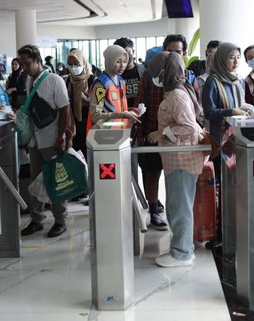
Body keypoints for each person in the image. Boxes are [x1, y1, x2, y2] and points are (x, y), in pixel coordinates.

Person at [146, 51, 209, 267]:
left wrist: (161, 133)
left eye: (155, 72)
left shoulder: (176, 95)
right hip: (177, 159)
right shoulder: (176, 91)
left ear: (166, 71)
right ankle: (183, 248)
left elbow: (189, 127)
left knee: (180, 207)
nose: (152, 76)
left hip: (182, 159)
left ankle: (181, 253)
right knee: (177, 205)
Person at [135, 34, 194, 230]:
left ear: (184, 53)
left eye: (177, 52)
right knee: (153, 172)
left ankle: (176, 216)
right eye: (169, 51)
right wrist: (142, 133)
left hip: (176, 138)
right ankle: (154, 211)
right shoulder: (151, 75)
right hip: (153, 131)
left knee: (174, 177)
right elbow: (140, 105)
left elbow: (191, 118)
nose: (173, 56)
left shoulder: (186, 78)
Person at [18, 44, 74, 238]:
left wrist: (61, 138)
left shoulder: (54, 80)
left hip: (52, 139)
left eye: (27, 63)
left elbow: (65, 110)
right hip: (36, 139)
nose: (24, 68)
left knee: (55, 180)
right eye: (22, 64)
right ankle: (36, 219)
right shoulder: (29, 81)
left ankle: (60, 220)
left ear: (37, 60)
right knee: (35, 180)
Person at [86, 45, 139, 132]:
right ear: (110, 61)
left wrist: (130, 111)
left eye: (125, 61)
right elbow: (95, 115)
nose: (122, 66)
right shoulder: (101, 84)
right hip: (105, 135)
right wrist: (121, 115)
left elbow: (116, 108)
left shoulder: (121, 81)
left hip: (121, 132)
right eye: (118, 61)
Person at [65, 49, 95, 157]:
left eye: (77, 64)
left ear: (83, 63)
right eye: (70, 64)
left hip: (89, 125)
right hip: (73, 127)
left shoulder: (92, 80)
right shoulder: (67, 81)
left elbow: (101, 103)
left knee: (90, 158)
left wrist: (89, 102)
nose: (73, 67)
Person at [113, 37, 145, 109]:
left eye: (127, 52)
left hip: (140, 112)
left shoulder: (143, 71)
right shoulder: (112, 75)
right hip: (119, 113)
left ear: (133, 52)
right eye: (121, 53)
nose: (125, 56)